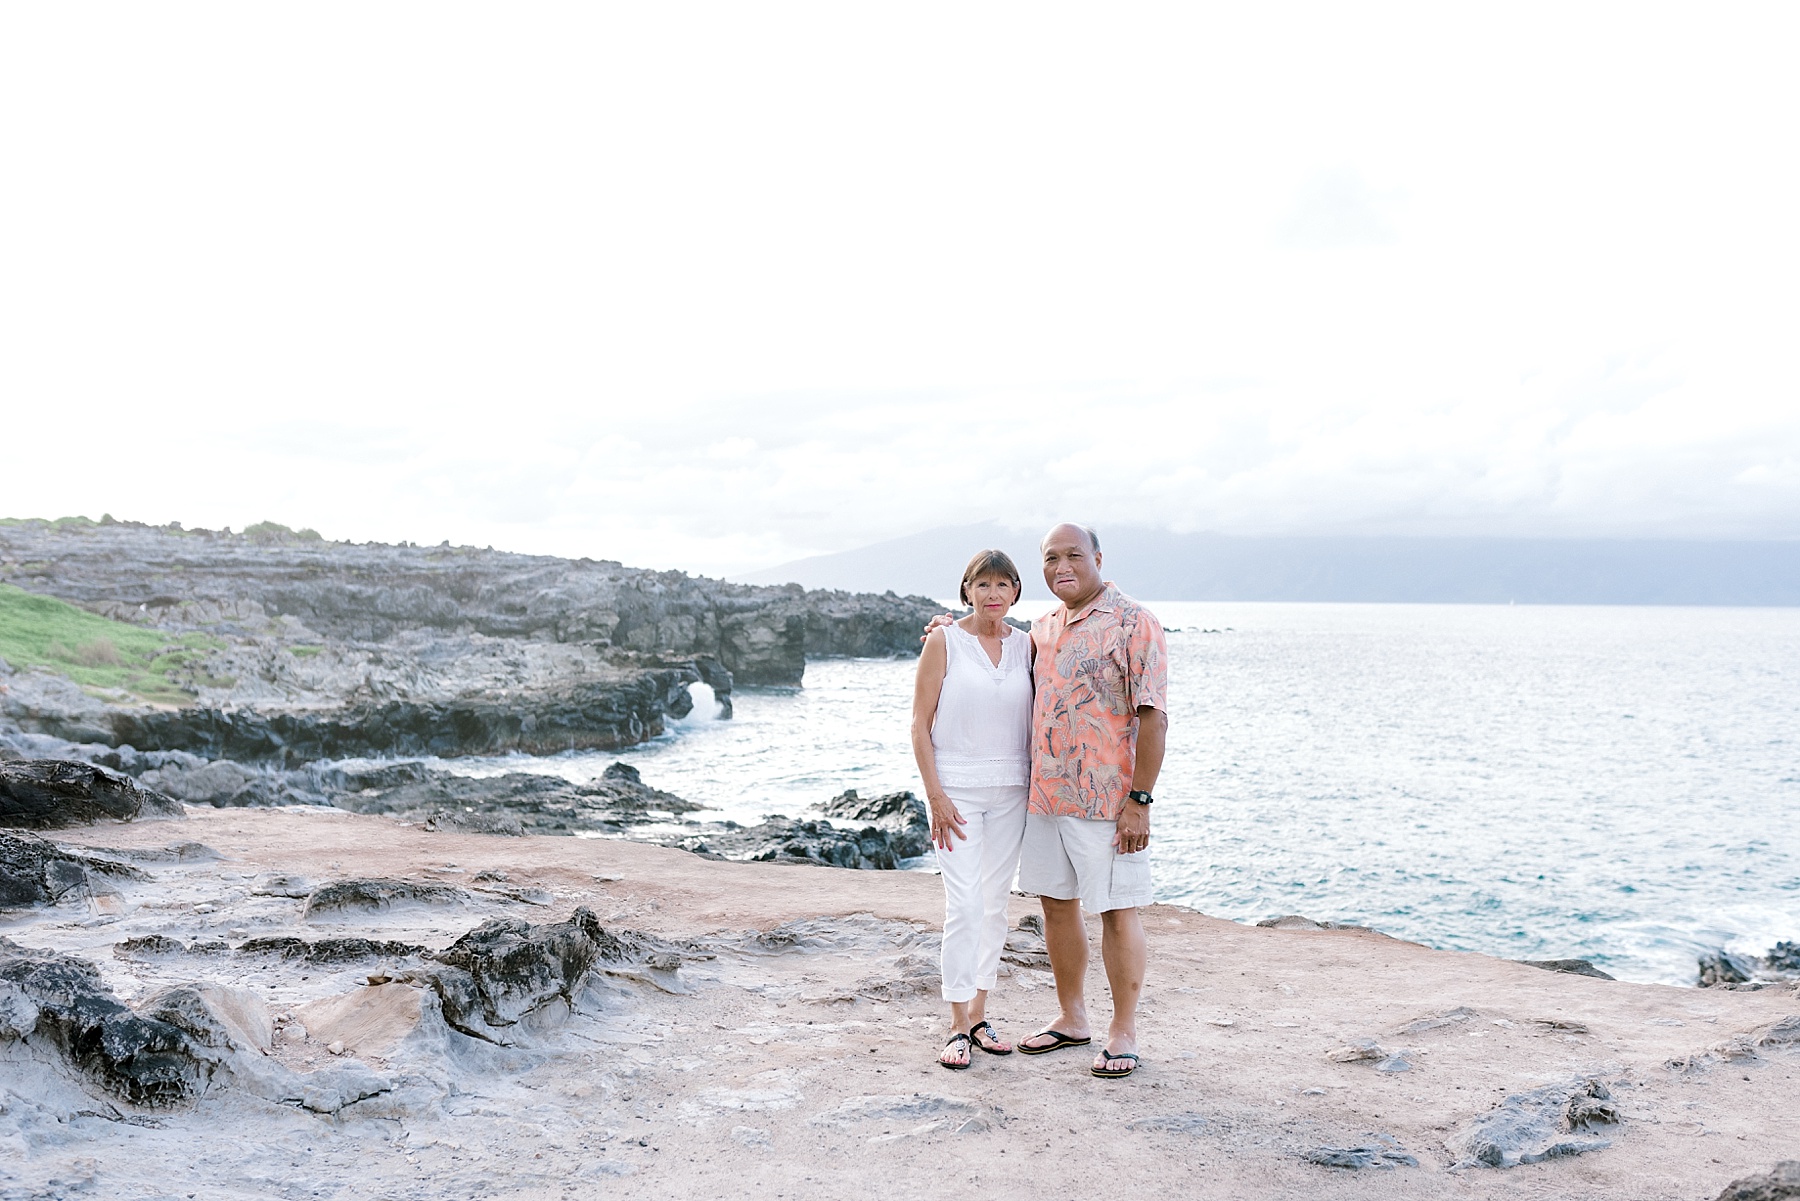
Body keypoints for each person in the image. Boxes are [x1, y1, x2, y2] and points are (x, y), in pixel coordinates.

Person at [926, 523, 1168, 1079]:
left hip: (1107, 800)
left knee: (1116, 910)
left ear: (1098, 557)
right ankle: (1072, 1018)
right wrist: (947, 627)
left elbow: (1153, 716)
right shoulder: (1041, 629)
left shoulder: (1134, 621)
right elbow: (986, 645)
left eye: (1074, 555)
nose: (1062, 566)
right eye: (1051, 558)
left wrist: (1140, 800)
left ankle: (1123, 1031)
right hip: (1042, 797)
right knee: (1057, 905)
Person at [911, 549, 1034, 1069]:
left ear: (1016, 592)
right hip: (956, 794)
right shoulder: (943, 641)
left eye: (1003, 584)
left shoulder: (1027, 645)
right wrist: (935, 795)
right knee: (963, 905)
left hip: (1012, 792)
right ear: (967, 590)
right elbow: (919, 724)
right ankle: (957, 1023)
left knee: (994, 905)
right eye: (983, 584)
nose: (993, 594)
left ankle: (980, 1016)